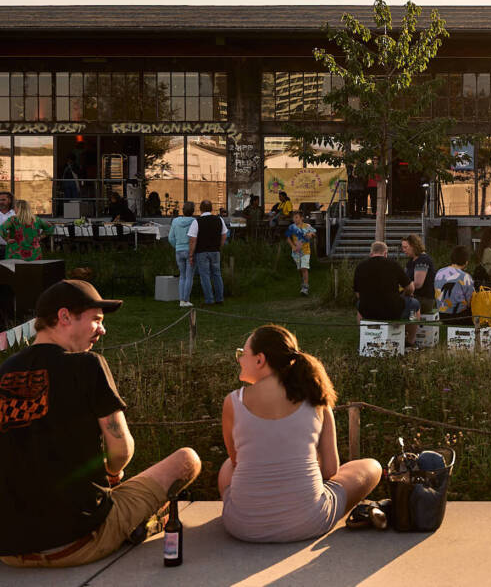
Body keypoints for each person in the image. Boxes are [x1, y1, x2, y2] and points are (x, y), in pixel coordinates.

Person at [0, 280, 201, 568]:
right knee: (186, 459)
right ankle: (139, 523)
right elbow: (121, 451)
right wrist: (113, 474)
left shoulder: (4, 371)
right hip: (76, 543)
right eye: (96, 320)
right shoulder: (86, 365)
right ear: (65, 317)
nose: (102, 330)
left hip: (9, 551)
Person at [219, 324, 381, 543]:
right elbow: (330, 470)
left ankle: (253, 509)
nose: (239, 359)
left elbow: (238, 463)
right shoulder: (316, 398)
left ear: (260, 360)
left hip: (242, 526)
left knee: (227, 466)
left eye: (242, 354)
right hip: (309, 523)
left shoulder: (233, 402)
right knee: (371, 466)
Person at [353, 241, 420, 346]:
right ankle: (410, 341)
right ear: (385, 253)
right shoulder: (393, 265)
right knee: (415, 304)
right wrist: (405, 294)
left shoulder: (360, 267)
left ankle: (364, 338)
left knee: (359, 305)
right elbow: (411, 288)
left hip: (368, 311)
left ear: (371, 253)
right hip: (392, 310)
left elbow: (358, 294)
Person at [188, 199, 228, 306]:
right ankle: (219, 299)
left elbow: (192, 239)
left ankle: (209, 300)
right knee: (217, 274)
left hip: (201, 251)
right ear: (211, 209)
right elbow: (224, 235)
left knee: (205, 275)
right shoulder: (219, 220)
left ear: (200, 209)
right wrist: (220, 245)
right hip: (215, 251)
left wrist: (191, 254)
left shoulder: (197, 222)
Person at [434, 246, 476, 325]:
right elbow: (470, 301)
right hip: (459, 317)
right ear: (466, 261)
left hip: (442, 315)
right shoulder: (465, 277)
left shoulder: (439, 272)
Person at [168, 201, 196, 308]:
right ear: (192, 211)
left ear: (182, 210)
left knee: (182, 276)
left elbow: (170, 238)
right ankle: (186, 299)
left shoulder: (175, 221)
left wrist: (177, 246)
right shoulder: (194, 222)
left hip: (178, 250)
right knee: (189, 276)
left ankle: (181, 300)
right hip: (190, 251)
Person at [401, 234, 436, 315]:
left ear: (414, 246)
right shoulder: (411, 261)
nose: (403, 250)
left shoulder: (422, 260)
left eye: (405, 247)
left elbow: (418, 284)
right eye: (402, 247)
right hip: (412, 295)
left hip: (423, 299)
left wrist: (404, 288)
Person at [286, 210, 316, 296]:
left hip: (305, 251)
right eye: (293, 218)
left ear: (301, 218)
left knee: (304, 268)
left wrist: (311, 234)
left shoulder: (307, 226)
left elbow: (314, 233)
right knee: (300, 269)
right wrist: (293, 246)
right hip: (296, 252)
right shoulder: (292, 227)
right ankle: (303, 280)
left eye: (296, 217)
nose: (295, 219)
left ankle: (305, 288)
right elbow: (288, 238)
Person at [0, 190, 15, 258]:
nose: (1, 202)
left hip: (13, 248)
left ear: (10, 200)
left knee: (12, 268)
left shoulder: (16, 214)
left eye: (3, 200)